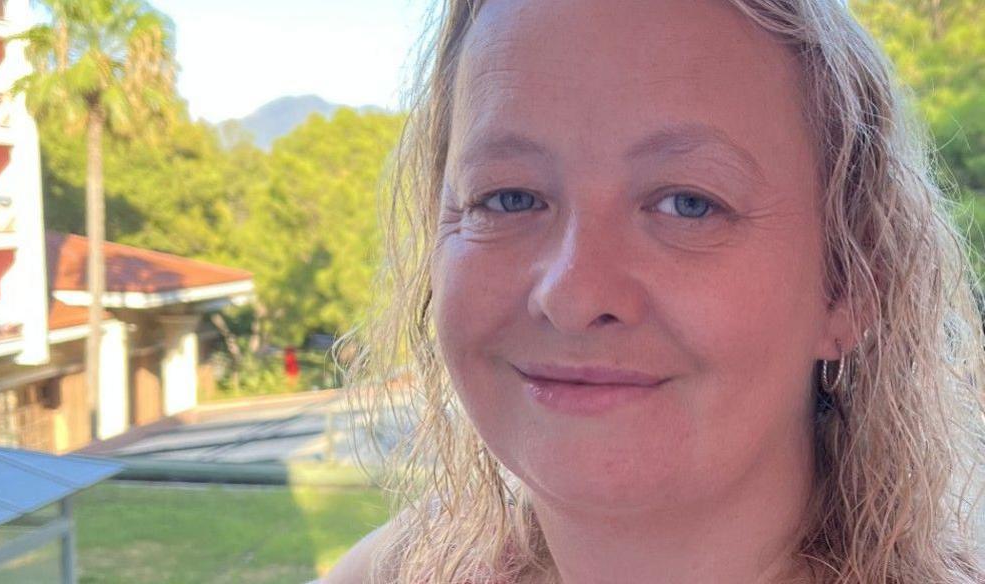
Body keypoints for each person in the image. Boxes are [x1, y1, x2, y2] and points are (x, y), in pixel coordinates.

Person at [322, 0, 985, 582]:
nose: (574, 296)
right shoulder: (399, 569)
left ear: (847, 281)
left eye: (689, 204)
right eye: (510, 197)